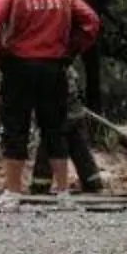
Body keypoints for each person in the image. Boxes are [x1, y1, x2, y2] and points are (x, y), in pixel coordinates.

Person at [0, 0, 101, 211]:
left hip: (19, 66)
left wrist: (1, 52)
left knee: (16, 128)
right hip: (54, 67)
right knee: (55, 129)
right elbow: (91, 22)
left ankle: (13, 194)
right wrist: (70, 50)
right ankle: (63, 194)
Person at [29, 65, 105, 194]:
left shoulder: (55, 65)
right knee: (79, 148)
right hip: (72, 115)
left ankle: (40, 185)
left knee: (49, 147)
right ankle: (92, 183)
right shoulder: (64, 64)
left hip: (61, 115)